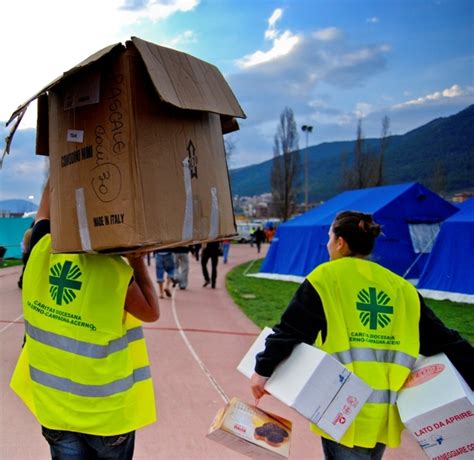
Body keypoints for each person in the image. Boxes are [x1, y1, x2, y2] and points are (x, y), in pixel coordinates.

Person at [250, 210, 473, 460]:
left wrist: (262, 370)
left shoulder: (325, 278)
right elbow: (443, 340)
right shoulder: (401, 288)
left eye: (329, 237)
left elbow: (290, 331)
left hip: (341, 408)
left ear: (340, 242)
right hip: (383, 412)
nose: (327, 244)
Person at [10, 178, 160, 459]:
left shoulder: (41, 251)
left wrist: (64, 160)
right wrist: (136, 261)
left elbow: (45, 208)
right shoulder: (113, 271)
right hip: (105, 417)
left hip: (54, 411)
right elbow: (151, 311)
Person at [17, 223, 33, 289]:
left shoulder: (27, 232)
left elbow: (23, 245)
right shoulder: (33, 232)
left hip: (26, 253)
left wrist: (24, 253)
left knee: (25, 269)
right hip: (30, 253)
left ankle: (21, 282)